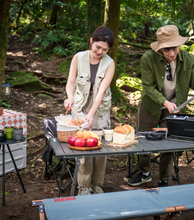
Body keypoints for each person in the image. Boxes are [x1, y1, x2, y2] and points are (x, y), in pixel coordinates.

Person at [128, 25, 194, 187]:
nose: (171, 53)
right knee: (143, 138)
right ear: (159, 49)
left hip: (175, 108)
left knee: (169, 141)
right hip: (151, 105)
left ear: (180, 46)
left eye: (175, 48)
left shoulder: (189, 59)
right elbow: (148, 87)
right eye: (166, 50)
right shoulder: (148, 58)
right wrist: (164, 102)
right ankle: (144, 173)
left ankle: (164, 178)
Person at [64, 25, 115, 195]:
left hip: (100, 108)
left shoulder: (110, 64)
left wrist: (91, 114)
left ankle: (97, 184)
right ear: (91, 41)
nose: (100, 51)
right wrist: (70, 97)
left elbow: (101, 92)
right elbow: (70, 82)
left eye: (105, 50)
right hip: (79, 105)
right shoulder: (78, 57)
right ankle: (84, 186)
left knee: (99, 146)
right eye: (97, 47)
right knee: (82, 145)